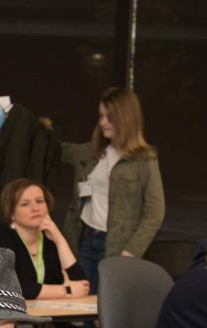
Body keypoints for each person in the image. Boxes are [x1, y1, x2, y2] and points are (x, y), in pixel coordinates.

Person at [60, 87, 165, 294]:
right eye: (101, 116)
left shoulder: (144, 159)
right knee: (80, 310)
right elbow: (57, 151)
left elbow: (155, 212)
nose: (102, 122)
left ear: (125, 117)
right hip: (85, 241)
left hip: (117, 248)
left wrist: (131, 251)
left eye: (109, 117)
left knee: (108, 311)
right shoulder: (93, 151)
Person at [0, 178, 98, 328]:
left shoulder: (49, 240)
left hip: (51, 326)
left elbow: (81, 284)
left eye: (39, 201)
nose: (35, 208)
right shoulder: (0, 239)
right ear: (12, 212)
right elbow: (14, 287)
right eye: (25, 204)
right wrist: (65, 290)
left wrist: (59, 238)